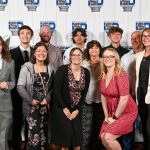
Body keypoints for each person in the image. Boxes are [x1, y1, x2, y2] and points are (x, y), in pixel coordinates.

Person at [51, 47, 90, 150]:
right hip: (62, 108)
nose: (76, 57)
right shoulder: (62, 69)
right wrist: (64, 108)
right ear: (70, 57)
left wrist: (77, 110)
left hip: (76, 109)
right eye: (74, 55)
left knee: (77, 140)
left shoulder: (86, 72)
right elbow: (56, 91)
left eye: (79, 55)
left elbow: (84, 94)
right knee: (66, 141)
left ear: (82, 57)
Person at [17, 42, 54, 150]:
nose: (41, 53)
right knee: (33, 135)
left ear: (47, 53)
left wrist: (48, 99)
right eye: (38, 51)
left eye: (44, 51)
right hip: (31, 107)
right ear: (34, 53)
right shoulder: (26, 68)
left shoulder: (50, 68)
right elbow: (20, 87)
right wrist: (30, 100)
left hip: (44, 107)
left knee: (44, 135)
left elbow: (52, 88)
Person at [99, 48, 138, 150]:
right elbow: (103, 96)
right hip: (112, 111)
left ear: (116, 58)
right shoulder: (103, 74)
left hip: (126, 111)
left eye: (111, 56)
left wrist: (115, 118)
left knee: (108, 137)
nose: (107, 59)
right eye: (105, 56)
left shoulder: (121, 74)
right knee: (103, 137)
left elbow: (124, 99)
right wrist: (106, 116)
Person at [10, 25, 34, 150]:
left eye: (28, 33)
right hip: (15, 95)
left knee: (30, 123)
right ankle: (15, 146)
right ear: (19, 36)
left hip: (32, 95)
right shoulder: (10, 53)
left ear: (31, 36)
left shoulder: (37, 52)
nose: (25, 35)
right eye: (23, 33)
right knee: (16, 122)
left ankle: (29, 146)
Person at [121, 31, 142, 150]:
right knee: (128, 125)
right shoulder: (125, 57)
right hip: (129, 96)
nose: (134, 41)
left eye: (137, 38)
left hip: (145, 96)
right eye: (132, 38)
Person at [82, 40, 104, 150]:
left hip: (102, 101)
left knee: (99, 128)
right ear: (88, 50)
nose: (94, 50)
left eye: (96, 47)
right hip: (87, 100)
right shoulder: (83, 63)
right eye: (91, 48)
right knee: (86, 128)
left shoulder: (105, 62)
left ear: (100, 50)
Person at [135, 27, 150, 149]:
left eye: (148, 36)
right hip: (141, 94)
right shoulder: (139, 56)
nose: (145, 38)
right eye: (144, 36)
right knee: (144, 126)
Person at [0, 36, 15, 150]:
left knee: (3, 135)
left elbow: (13, 82)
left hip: (5, 105)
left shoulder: (10, 62)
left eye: (0, 44)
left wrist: (8, 85)